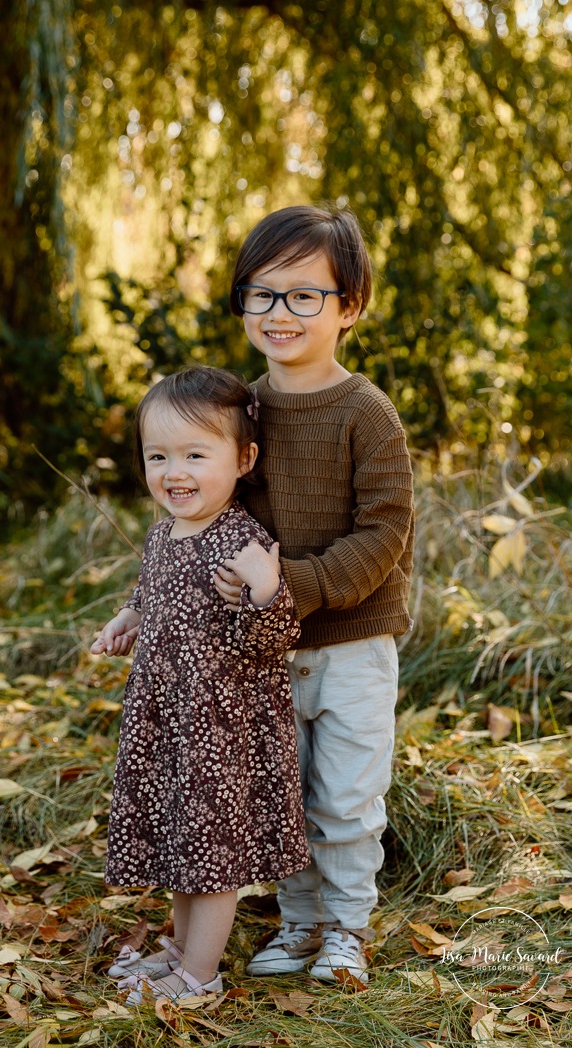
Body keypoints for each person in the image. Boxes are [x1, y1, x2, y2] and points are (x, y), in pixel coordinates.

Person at [214, 204, 414, 984]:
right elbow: (213, 508)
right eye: (260, 294)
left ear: (349, 306)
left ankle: (346, 930)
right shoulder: (239, 411)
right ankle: (298, 923)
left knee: (345, 797)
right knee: (281, 789)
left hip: (352, 643)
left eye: (304, 296)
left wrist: (290, 585)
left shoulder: (365, 414)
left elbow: (383, 531)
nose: (279, 313)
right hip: (264, 646)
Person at [91, 366, 309, 1005]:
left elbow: (272, 640)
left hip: (221, 727)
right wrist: (130, 617)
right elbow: (155, 592)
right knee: (181, 840)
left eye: (194, 454)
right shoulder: (163, 534)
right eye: (158, 456)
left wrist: (266, 590)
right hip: (168, 720)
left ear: (243, 459)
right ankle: (181, 953)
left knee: (210, 851)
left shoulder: (241, 543)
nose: (173, 472)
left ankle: (201, 977)